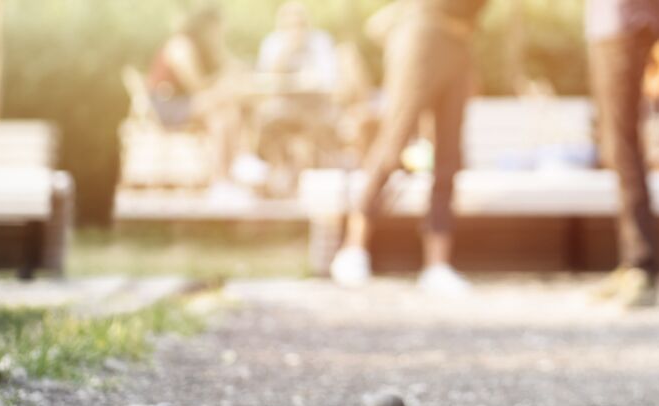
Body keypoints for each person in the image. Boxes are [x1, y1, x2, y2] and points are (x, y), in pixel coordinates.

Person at [328, 0, 488, 294]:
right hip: (422, 36)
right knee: (395, 142)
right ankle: (353, 250)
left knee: (449, 157)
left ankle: (437, 265)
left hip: (460, 42)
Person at [585, 0, 659, 309]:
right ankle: (631, 261)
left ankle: (641, 265)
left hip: (626, 24)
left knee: (623, 147)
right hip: (612, 27)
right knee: (615, 147)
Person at [147, 5, 250, 201]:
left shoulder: (204, 48)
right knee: (225, 98)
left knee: (224, 116)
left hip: (192, 105)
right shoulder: (180, 46)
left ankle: (224, 180)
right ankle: (241, 159)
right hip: (169, 107)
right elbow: (197, 86)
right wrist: (225, 80)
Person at [254, 2, 341, 196]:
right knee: (264, 119)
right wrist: (286, 51)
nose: (296, 28)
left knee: (323, 123)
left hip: (316, 106)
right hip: (283, 106)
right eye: (290, 24)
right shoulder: (273, 42)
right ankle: (275, 171)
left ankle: (311, 174)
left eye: (299, 23)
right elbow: (265, 82)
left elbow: (328, 80)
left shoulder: (320, 41)